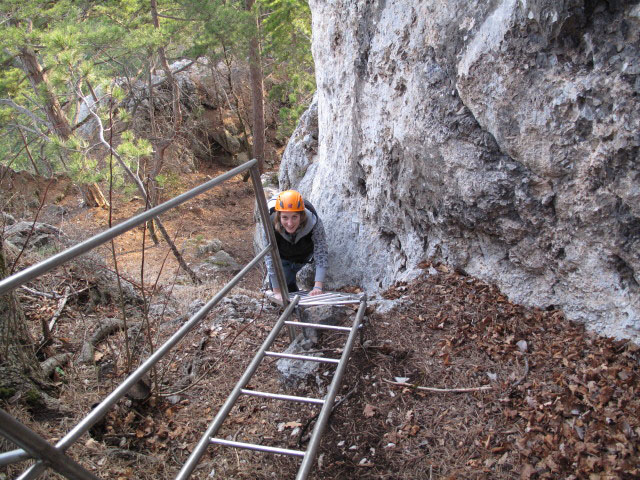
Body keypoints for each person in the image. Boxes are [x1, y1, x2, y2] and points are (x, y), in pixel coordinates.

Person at [263, 190, 328, 300]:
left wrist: (318, 286)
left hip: (302, 255)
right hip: (281, 258)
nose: (290, 223)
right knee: (282, 285)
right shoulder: (269, 223)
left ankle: (291, 281)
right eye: (285, 217)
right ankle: (291, 284)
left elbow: (321, 252)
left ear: (301, 215)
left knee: (288, 282)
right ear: (278, 216)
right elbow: (270, 257)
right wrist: (277, 292)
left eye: (294, 217)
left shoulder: (313, 222)